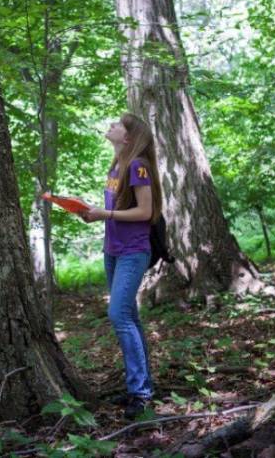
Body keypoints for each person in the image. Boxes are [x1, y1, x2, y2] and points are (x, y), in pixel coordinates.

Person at [81, 112, 162, 419]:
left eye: (117, 124)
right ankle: (140, 387)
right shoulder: (116, 166)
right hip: (113, 250)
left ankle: (141, 393)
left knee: (118, 314)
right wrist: (90, 212)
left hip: (133, 251)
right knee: (129, 316)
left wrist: (106, 215)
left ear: (127, 137)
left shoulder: (138, 166)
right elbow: (115, 209)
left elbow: (145, 212)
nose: (111, 125)